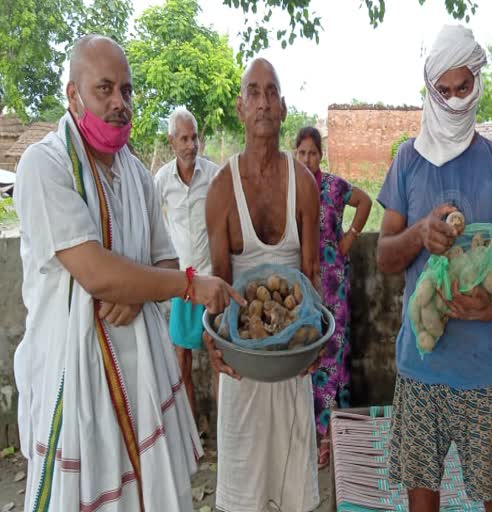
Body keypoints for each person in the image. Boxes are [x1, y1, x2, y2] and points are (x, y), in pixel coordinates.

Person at [12, 34, 241, 511]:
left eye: (127, 91)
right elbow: (95, 271)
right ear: (73, 95)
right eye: (105, 89)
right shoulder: (44, 166)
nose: (120, 103)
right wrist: (186, 287)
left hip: (142, 382)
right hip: (74, 388)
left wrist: (136, 291)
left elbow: (163, 260)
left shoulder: (135, 173)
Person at [376, 25, 492, 512]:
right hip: (418, 368)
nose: (452, 101)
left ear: (477, 82)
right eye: (442, 91)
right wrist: (418, 235)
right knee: (421, 501)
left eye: (462, 88)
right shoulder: (407, 161)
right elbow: (385, 256)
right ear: (429, 91)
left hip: (482, 372)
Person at [204, 58, 322, 512]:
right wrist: (209, 339)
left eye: (271, 92)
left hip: (293, 364)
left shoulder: (304, 185)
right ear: (240, 107)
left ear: (284, 108)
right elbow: (218, 287)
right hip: (243, 370)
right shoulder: (221, 190)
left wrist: (318, 342)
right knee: (243, 496)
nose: (263, 102)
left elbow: (310, 277)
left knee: (296, 494)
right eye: (253, 92)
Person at [294, 126, 372, 468]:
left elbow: (366, 202)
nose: (308, 158)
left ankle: (331, 439)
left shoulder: (335, 186)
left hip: (334, 282)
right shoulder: (291, 189)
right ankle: (311, 435)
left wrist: (349, 237)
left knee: (334, 358)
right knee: (307, 359)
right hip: (303, 287)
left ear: (320, 155)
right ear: (294, 154)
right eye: (302, 153)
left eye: (313, 153)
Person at [155, 106, 221, 422]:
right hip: (181, 283)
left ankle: (226, 434)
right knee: (182, 357)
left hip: (209, 278)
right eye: (183, 138)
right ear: (172, 142)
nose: (190, 145)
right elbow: (151, 223)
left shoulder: (213, 175)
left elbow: (228, 221)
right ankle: (190, 434)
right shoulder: (161, 180)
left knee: (217, 352)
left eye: (194, 137)